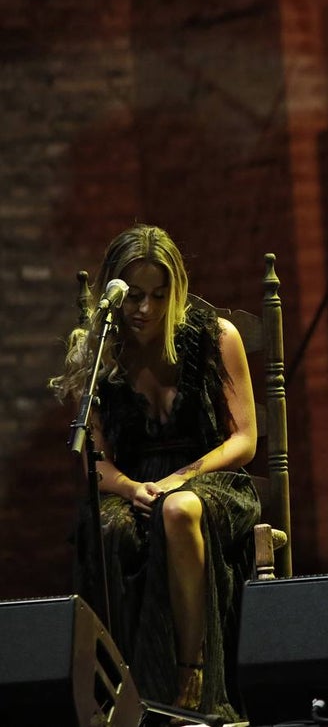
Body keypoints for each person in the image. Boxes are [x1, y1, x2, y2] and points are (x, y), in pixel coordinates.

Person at [49, 224, 260, 719]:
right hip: (134, 484)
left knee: (180, 510)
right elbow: (93, 461)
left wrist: (179, 479)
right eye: (135, 296)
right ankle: (121, 691)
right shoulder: (97, 351)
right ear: (112, 294)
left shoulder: (214, 337)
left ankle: (193, 677)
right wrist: (131, 487)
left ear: (177, 292)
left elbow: (244, 440)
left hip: (210, 477)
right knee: (110, 529)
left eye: (160, 296)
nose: (145, 309)